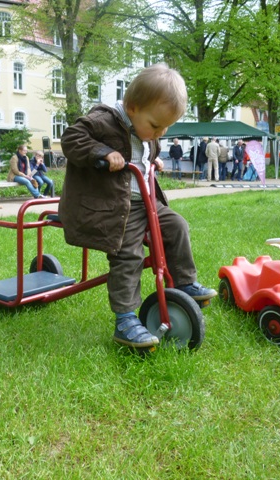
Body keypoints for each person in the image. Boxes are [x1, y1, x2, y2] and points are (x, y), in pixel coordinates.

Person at [58, 63, 217, 349]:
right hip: (114, 207)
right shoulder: (103, 120)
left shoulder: (146, 128)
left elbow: (144, 145)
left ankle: (184, 284)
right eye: (156, 126)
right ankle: (126, 319)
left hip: (146, 203)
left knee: (178, 226)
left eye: (166, 127)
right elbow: (71, 139)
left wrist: (152, 159)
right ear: (131, 107)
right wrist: (103, 152)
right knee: (128, 256)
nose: (160, 132)